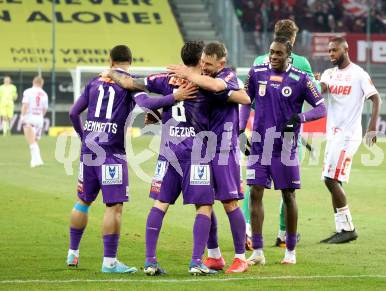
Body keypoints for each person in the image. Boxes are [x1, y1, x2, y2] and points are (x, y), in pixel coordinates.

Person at [66, 44, 196, 273]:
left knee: (83, 201)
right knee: (113, 206)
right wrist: (174, 96)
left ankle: (73, 254)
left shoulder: (95, 81)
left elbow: (73, 113)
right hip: (112, 153)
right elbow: (146, 103)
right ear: (130, 61)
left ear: (110, 60)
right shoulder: (129, 83)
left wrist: (82, 134)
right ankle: (109, 262)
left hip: (89, 149)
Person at [105, 41, 226, 276]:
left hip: (168, 152)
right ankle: (195, 262)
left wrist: (111, 71)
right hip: (196, 153)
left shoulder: (166, 78)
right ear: (202, 59)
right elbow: (234, 96)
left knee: (160, 204)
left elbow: (130, 82)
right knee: (204, 206)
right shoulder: (207, 82)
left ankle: (150, 261)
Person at [240, 36, 326, 265]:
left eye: (279, 53)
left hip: (285, 147)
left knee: (288, 195)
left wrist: (300, 117)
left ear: (289, 56)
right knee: (255, 192)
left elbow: (321, 108)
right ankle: (257, 252)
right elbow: (246, 100)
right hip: (259, 144)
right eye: (271, 52)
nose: (274, 56)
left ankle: (290, 251)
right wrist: (240, 129)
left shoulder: (301, 79)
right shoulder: (256, 72)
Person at [167, 42, 251, 273]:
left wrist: (190, 75)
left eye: (209, 63)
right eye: (202, 61)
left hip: (224, 150)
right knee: (203, 201)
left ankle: (241, 258)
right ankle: (214, 256)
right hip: (201, 148)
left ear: (221, 64)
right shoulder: (202, 78)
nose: (203, 66)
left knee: (229, 202)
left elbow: (234, 93)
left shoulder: (227, 76)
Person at [318, 37, 381, 244]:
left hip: (348, 135)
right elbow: (322, 89)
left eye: (334, 50)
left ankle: (348, 228)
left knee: (330, 179)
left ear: (346, 49)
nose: (331, 54)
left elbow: (375, 98)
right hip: (333, 135)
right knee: (332, 180)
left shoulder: (358, 74)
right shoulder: (329, 73)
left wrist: (372, 126)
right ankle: (341, 228)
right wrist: (315, 83)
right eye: (329, 51)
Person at [20, 76, 48, 168]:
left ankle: (35, 161)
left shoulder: (27, 91)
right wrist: (40, 116)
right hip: (39, 118)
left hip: (29, 117)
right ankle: (37, 160)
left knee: (31, 142)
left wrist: (22, 116)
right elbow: (45, 109)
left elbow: (25, 105)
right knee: (34, 140)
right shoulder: (44, 93)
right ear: (41, 84)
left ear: (33, 82)